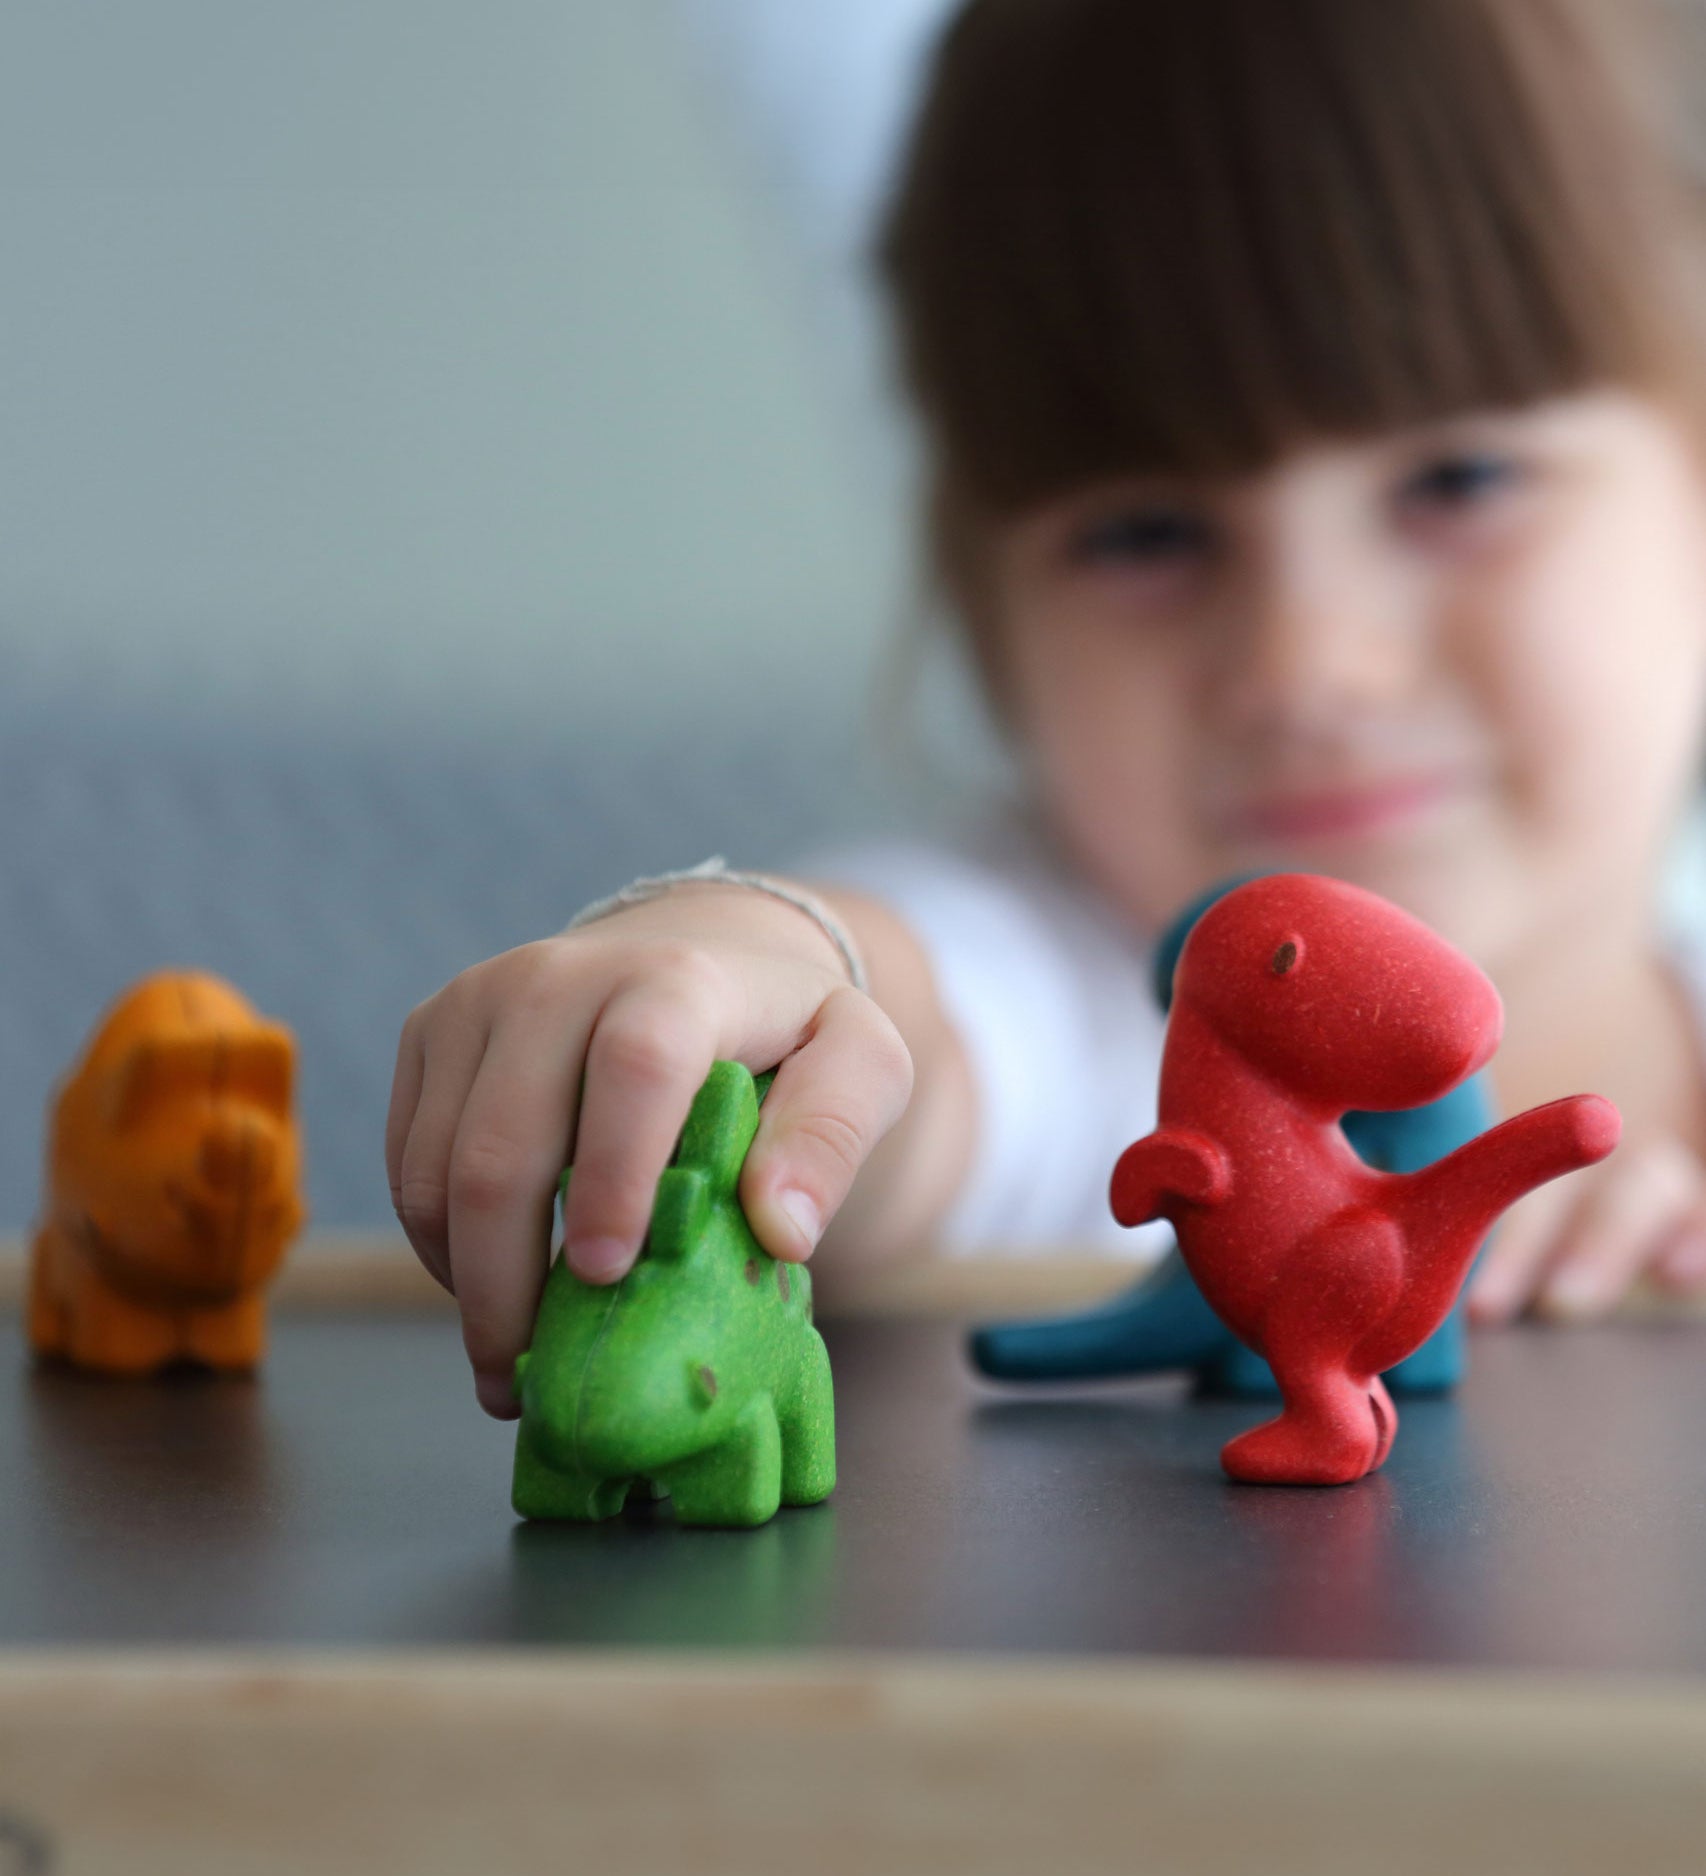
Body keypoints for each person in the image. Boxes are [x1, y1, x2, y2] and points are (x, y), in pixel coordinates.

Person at [388, 0, 1706, 1418]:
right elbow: (901, 1024)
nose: (1309, 665)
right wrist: (741, 971)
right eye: (1146, 535)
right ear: (984, 612)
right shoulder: (1056, 999)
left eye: (1457, 483)